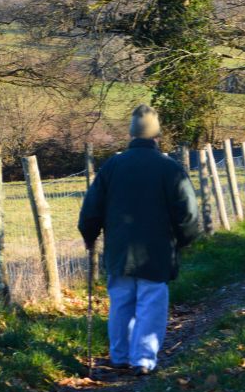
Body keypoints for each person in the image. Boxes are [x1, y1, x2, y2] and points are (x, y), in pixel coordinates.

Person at [78, 104, 202, 376]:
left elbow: (91, 207)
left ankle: (119, 356)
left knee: (121, 301)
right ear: (157, 135)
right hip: (156, 251)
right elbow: (188, 214)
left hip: (119, 250)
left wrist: (90, 235)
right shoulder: (170, 168)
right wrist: (183, 240)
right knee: (151, 303)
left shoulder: (113, 166)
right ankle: (143, 360)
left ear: (131, 134)